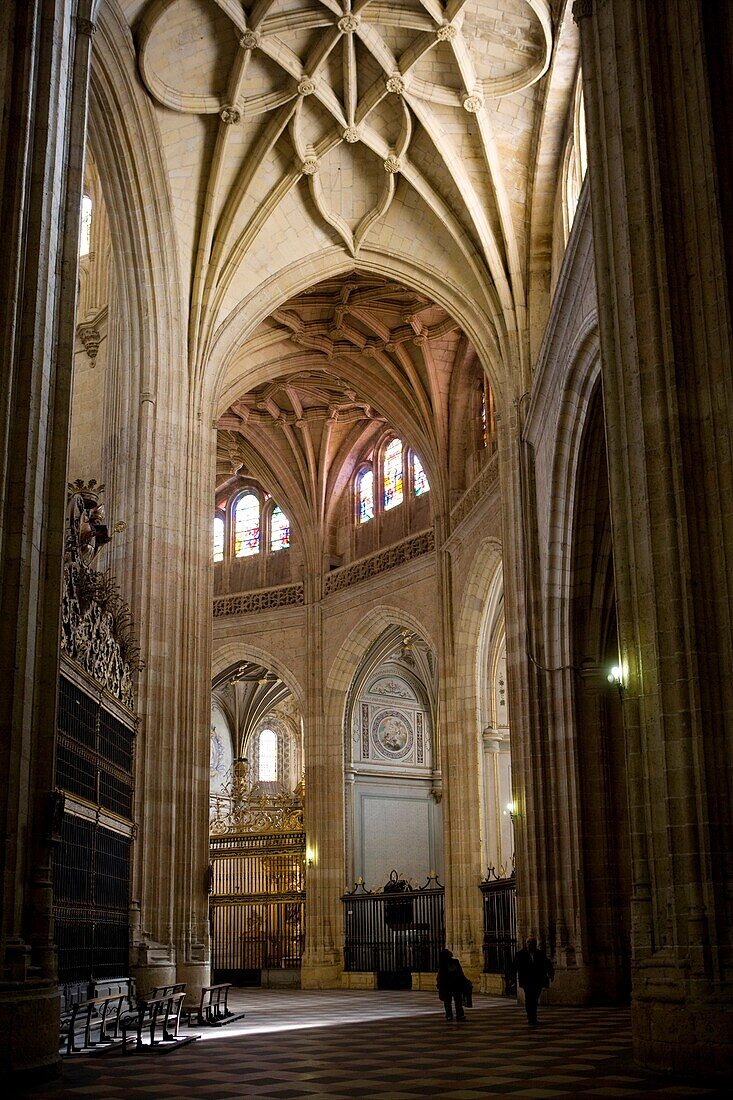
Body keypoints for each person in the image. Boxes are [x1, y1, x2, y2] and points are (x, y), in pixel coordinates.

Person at [513, 935, 554, 1025]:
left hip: (537, 980)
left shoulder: (540, 954)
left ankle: (534, 1017)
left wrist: (551, 974)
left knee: (535, 999)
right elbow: (514, 967)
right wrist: (512, 979)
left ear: (535, 944)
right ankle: (530, 1017)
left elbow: (547, 964)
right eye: (528, 943)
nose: (529, 945)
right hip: (527, 981)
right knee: (528, 999)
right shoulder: (520, 954)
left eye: (531, 943)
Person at [437, 948, 467, 1021]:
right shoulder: (445, 963)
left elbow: (440, 976)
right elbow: (460, 972)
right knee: (453, 1000)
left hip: (452, 984)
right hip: (451, 984)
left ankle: (453, 1015)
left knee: (453, 1001)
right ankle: (455, 1015)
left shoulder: (450, 962)